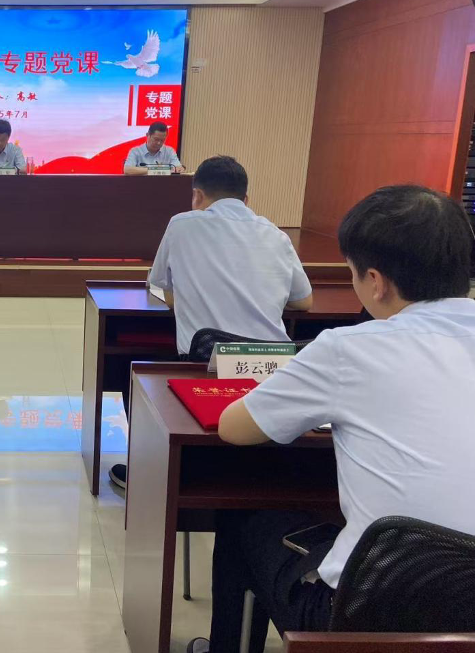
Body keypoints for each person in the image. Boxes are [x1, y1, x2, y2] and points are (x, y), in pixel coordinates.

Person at [187, 185, 475, 653]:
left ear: (376, 282)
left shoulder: (350, 348)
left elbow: (234, 428)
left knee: (244, 518)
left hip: (368, 614)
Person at [110, 156, 313, 490]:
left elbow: (160, 286)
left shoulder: (182, 225)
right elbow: (304, 301)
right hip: (272, 368)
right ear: (246, 199)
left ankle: (148, 473)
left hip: (205, 364)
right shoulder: (276, 235)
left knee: (126, 367)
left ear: (197, 196)